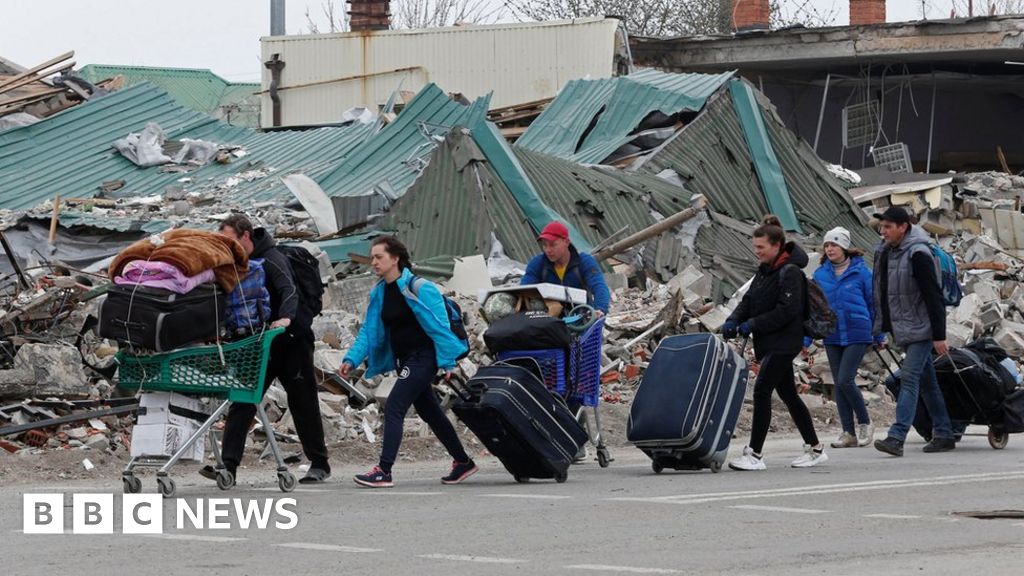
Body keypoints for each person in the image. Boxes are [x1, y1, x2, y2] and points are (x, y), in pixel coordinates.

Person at [203, 214, 331, 484]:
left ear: (245, 237)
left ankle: (319, 463)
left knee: (302, 399)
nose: (227, 247)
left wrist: (284, 319)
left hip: (290, 339)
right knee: (243, 400)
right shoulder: (236, 263)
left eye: (230, 241)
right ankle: (229, 467)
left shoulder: (272, 258)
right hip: (257, 343)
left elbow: (289, 290)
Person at [340, 236, 477, 488]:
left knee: (394, 406)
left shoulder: (419, 287)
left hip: (423, 358)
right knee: (430, 412)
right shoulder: (379, 292)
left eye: (379, 257)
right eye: (372, 257)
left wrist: (447, 364)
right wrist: (351, 358)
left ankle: (384, 470)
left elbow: (441, 328)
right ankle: (463, 462)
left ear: (395, 259)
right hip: (405, 360)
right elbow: (369, 332)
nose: (374, 262)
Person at [723, 215, 828, 471]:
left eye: (761, 247)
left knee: (761, 390)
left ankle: (755, 454)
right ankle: (815, 449)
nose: (757, 252)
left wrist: (753, 324)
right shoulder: (764, 271)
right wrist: (733, 320)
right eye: (755, 247)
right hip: (769, 342)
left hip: (785, 341)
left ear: (776, 245)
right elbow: (748, 301)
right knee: (788, 394)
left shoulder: (790, 272)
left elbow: (787, 311)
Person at [871, 206, 956, 456]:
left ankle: (897, 437)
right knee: (928, 383)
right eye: (882, 226)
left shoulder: (918, 254)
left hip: (922, 329)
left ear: (903, 227)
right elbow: (883, 293)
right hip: (904, 329)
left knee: (909, 378)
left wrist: (939, 335)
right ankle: (944, 432)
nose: (883, 231)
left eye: (888, 227)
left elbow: (933, 296)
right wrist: (882, 328)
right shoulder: (887, 253)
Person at [805, 227, 879, 448]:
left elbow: (873, 304)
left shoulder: (862, 272)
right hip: (832, 333)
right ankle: (848, 432)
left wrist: (879, 333)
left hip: (858, 330)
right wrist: (806, 341)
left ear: (844, 247)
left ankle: (865, 423)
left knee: (846, 379)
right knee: (839, 383)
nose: (829, 249)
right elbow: (814, 310)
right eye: (827, 245)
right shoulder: (820, 275)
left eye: (834, 245)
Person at [521, 221, 611, 316]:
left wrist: (599, 310)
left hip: (581, 316)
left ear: (566, 242)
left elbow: (599, 287)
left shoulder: (584, 262)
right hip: (550, 319)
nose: (548, 250)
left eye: (552, 245)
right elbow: (525, 291)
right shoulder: (537, 264)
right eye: (544, 245)